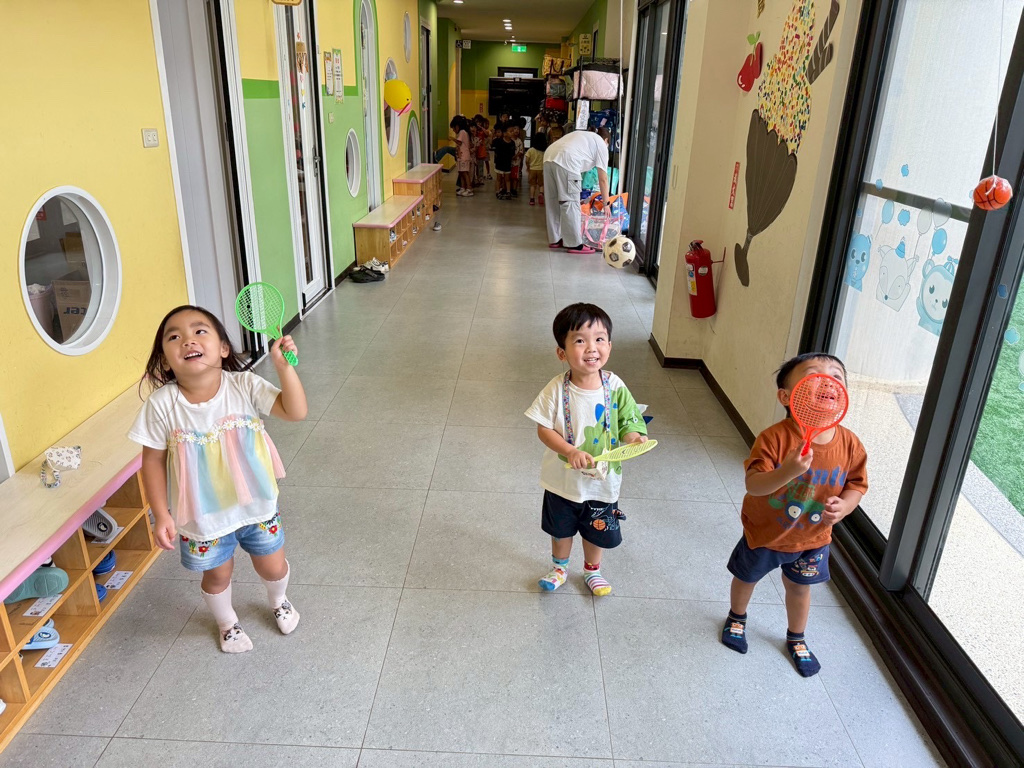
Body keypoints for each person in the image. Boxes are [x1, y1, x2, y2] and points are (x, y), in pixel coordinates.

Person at [129, 306, 308, 653]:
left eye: (200, 331)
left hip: (257, 506)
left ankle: (279, 600)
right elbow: (151, 461)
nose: (188, 340)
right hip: (203, 516)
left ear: (224, 348)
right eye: (174, 336)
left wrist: (284, 368)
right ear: (165, 360)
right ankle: (227, 624)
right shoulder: (161, 405)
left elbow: (295, 411)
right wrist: (162, 514)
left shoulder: (243, 385)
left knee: (273, 566)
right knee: (217, 575)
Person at [721, 353, 868, 677]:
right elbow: (754, 485)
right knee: (747, 578)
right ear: (786, 396)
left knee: (800, 588)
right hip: (766, 533)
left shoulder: (850, 444)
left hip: (813, 539)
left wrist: (845, 506)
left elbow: (857, 484)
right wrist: (786, 471)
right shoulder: (774, 438)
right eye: (814, 376)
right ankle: (737, 617)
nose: (827, 382)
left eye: (836, 377)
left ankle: (796, 636)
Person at [525, 303, 649, 596]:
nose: (592, 348)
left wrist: (634, 437)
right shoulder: (556, 389)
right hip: (562, 480)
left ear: (610, 346)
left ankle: (593, 571)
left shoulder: (614, 385)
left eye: (600, 339)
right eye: (580, 340)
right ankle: (559, 568)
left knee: (597, 529)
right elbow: (543, 429)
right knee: (561, 530)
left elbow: (629, 419)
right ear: (562, 353)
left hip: (602, 481)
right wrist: (569, 451)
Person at [543, 128, 610, 254]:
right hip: (567, 160)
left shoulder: (585, 136)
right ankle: (574, 244)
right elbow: (603, 179)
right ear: (606, 140)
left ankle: (555, 239)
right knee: (570, 203)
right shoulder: (601, 145)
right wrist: (606, 203)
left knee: (552, 201)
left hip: (549, 156)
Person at [491, 126, 515, 200]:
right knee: (499, 178)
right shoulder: (499, 141)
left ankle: (508, 191)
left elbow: (512, 153)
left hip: (507, 163)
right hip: (500, 163)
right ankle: (498, 191)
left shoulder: (512, 143)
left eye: (512, 131)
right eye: (510, 131)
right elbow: (494, 148)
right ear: (505, 133)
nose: (512, 133)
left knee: (507, 178)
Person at [524, 132, 547, 206]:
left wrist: (528, 167)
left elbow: (527, 160)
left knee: (532, 185)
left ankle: (532, 199)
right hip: (541, 169)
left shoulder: (531, 150)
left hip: (532, 169)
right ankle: (541, 193)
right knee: (541, 184)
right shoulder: (545, 151)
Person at [453, 116, 474, 197]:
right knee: (461, 172)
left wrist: (452, 139)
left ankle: (469, 189)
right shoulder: (464, 132)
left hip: (464, 156)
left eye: (454, 128)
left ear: (457, 126)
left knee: (465, 173)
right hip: (461, 156)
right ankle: (463, 188)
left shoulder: (462, 132)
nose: (453, 130)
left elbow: (459, 142)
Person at [510, 124, 525, 198]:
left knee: (515, 177)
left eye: (517, 129)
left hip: (516, 162)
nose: (516, 130)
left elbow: (521, 151)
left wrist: (516, 156)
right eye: (514, 129)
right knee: (508, 176)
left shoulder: (519, 141)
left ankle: (514, 190)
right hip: (508, 162)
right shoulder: (509, 140)